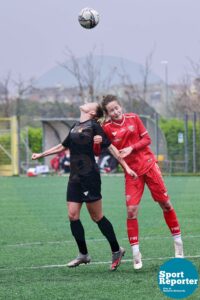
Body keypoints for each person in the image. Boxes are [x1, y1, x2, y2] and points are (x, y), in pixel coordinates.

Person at [32, 102, 137, 271]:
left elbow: (111, 148)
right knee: (73, 216)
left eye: (91, 103)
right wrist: (41, 154)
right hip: (74, 178)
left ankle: (116, 250)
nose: (86, 102)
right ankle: (83, 254)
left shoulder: (94, 126)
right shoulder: (75, 126)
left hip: (90, 177)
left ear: (93, 112)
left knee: (97, 217)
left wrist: (127, 167)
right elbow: (62, 146)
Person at [94, 94, 184, 270]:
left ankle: (178, 243)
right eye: (111, 110)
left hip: (149, 166)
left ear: (121, 106)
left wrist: (131, 148)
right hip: (131, 172)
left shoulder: (134, 118)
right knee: (131, 211)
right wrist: (97, 143)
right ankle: (136, 254)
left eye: (117, 108)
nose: (116, 111)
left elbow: (147, 140)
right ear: (107, 113)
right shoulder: (106, 128)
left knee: (165, 204)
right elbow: (98, 152)